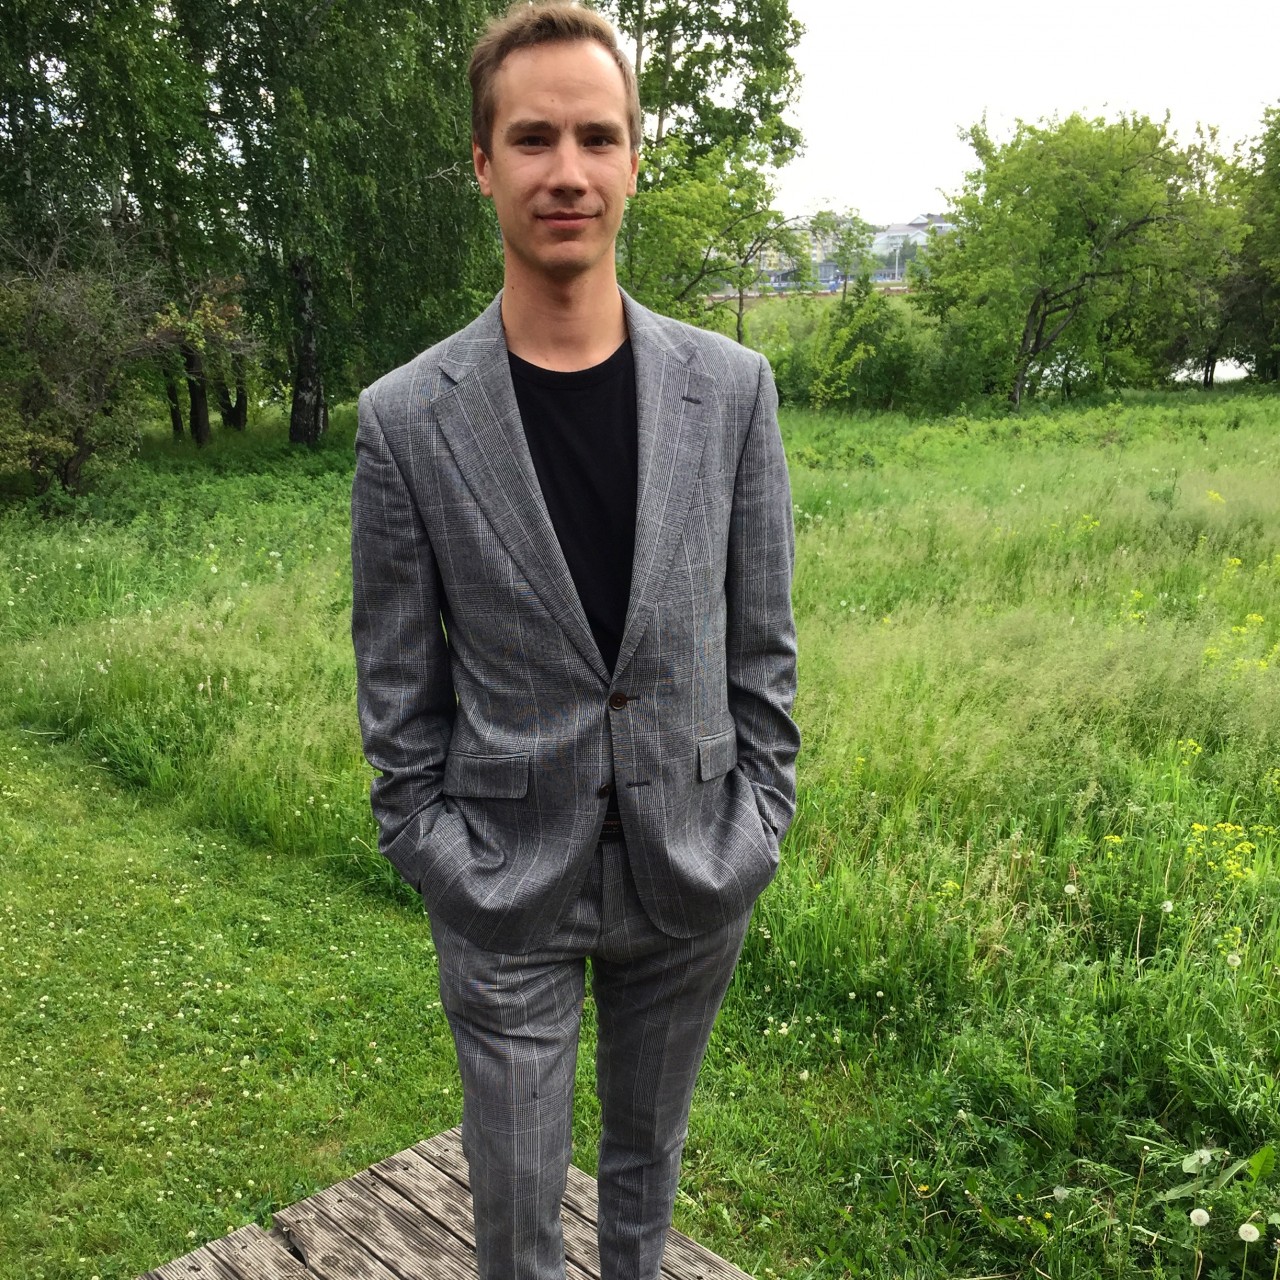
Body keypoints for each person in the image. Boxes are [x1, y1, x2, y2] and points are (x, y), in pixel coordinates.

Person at [350, 3, 799, 1277]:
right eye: (532, 137)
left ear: (633, 159)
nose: (567, 170)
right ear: (482, 163)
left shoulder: (731, 390)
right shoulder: (406, 420)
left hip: (693, 862)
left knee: (646, 1188)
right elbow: (398, 689)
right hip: (505, 882)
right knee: (511, 1216)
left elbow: (762, 647)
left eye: (596, 137)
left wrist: (756, 821)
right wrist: (438, 852)